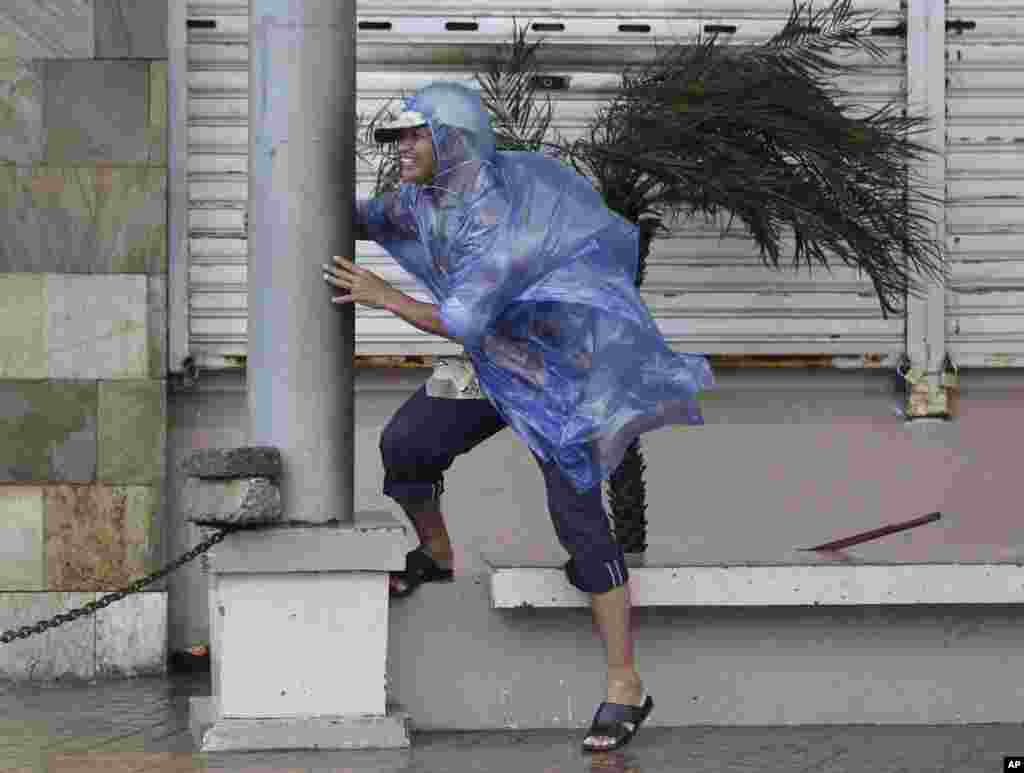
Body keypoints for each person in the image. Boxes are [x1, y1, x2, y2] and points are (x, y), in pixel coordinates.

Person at [322, 80, 713, 753]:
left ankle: (625, 684)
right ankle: (437, 552)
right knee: (407, 447)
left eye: (415, 135)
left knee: (580, 525)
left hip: (551, 376)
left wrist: (383, 295)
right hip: (487, 366)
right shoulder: (425, 200)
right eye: (399, 137)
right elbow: (367, 215)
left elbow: (460, 317)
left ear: (453, 141)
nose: (401, 148)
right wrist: (288, 206)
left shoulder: (504, 218)